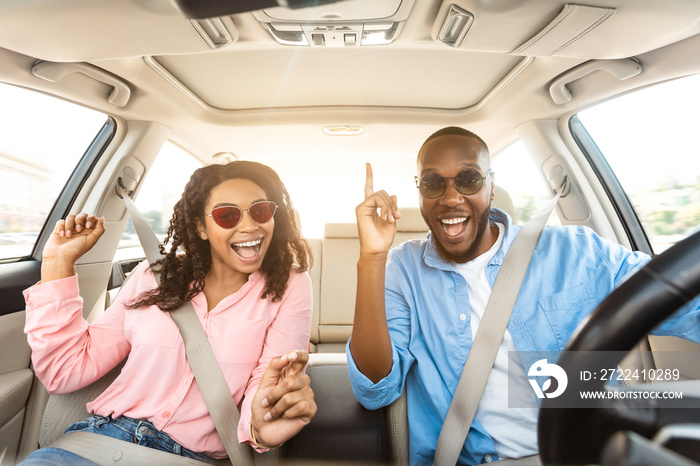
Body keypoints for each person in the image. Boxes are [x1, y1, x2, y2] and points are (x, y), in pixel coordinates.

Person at [347, 126, 700, 465]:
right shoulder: (403, 270)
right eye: (433, 183)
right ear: (420, 191)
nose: (451, 197)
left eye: (469, 179)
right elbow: (377, 389)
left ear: (491, 186)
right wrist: (372, 257)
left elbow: (685, 305)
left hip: (587, 454)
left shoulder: (577, 252)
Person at [22, 161, 317, 465]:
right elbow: (65, 370)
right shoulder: (154, 276)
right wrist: (58, 262)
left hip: (188, 457)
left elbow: (267, 381)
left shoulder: (290, 286)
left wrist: (262, 423)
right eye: (227, 215)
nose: (249, 226)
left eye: (260, 211)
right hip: (97, 441)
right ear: (201, 227)